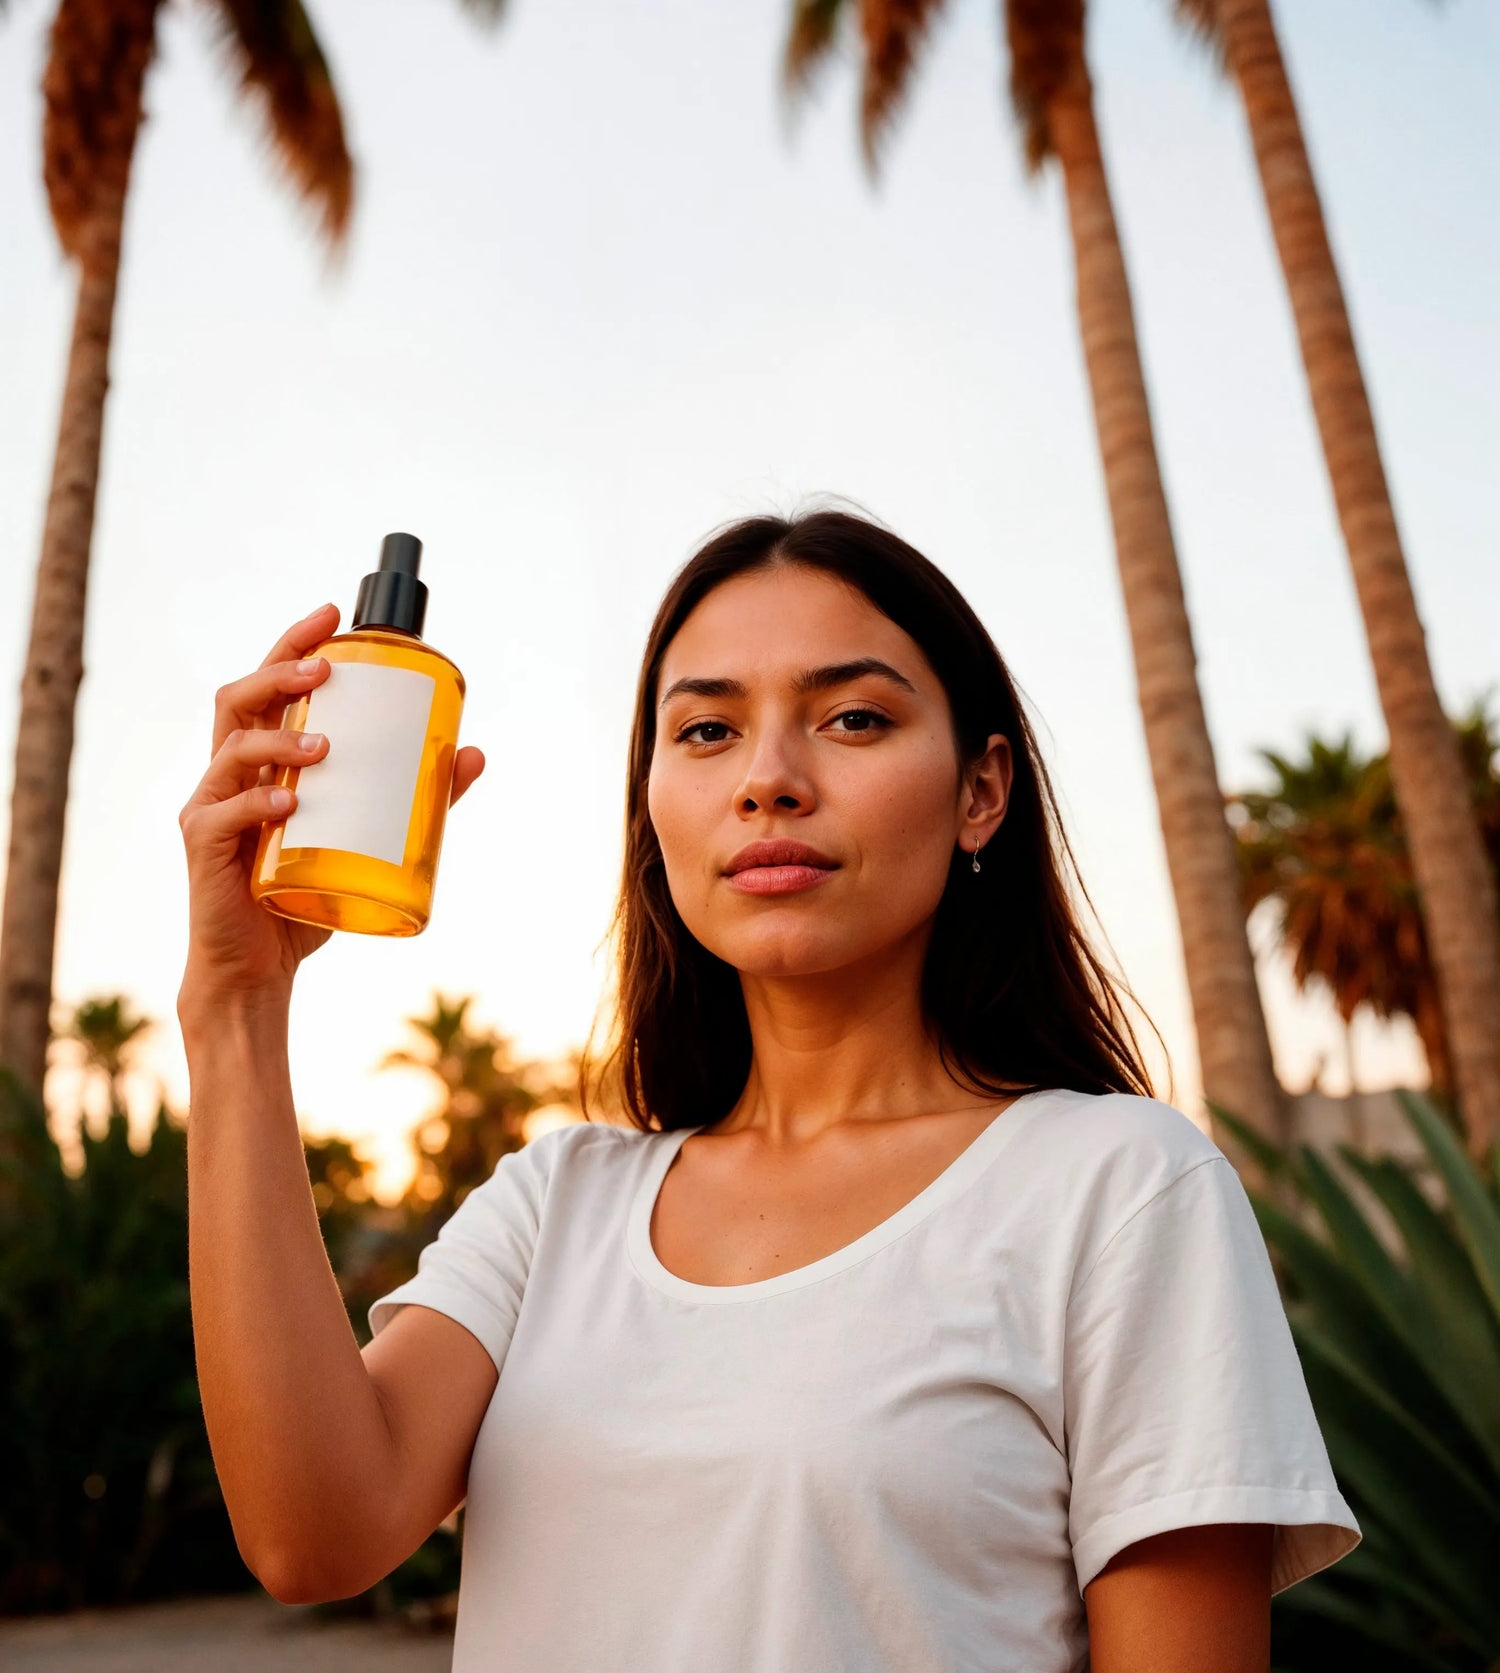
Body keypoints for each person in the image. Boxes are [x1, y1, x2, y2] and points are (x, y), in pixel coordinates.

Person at [178, 507, 1357, 1672]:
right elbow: (311, 1535)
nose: (769, 780)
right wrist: (236, 1009)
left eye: (852, 718)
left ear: (980, 792)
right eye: (705, 733)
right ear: (652, 802)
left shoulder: (1120, 1191)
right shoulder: (555, 1206)